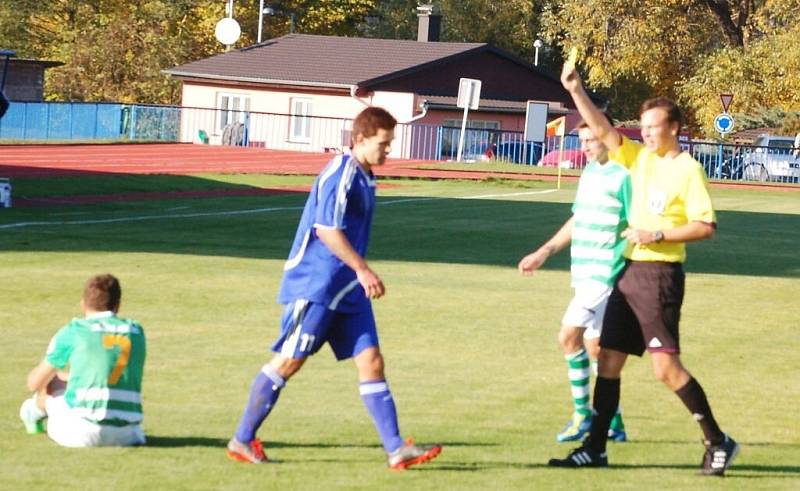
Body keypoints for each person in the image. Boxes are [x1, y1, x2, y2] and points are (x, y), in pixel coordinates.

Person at [548, 62, 739, 476]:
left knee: (665, 369)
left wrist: (658, 235)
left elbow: (705, 226)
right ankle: (595, 447)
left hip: (660, 277)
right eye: (645, 126)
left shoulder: (687, 169)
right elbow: (602, 130)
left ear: (674, 128)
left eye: (654, 126)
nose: (647, 132)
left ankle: (718, 441)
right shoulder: (639, 159)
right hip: (630, 273)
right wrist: (576, 90)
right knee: (609, 359)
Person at [227, 106, 442, 469]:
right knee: (289, 361)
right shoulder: (340, 173)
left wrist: (357, 274)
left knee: (372, 361)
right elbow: (326, 229)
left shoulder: (365, 174)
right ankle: (242, 439)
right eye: (383, 144)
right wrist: (362, 269)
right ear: (360, 139)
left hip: (347, 290)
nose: (388, 151)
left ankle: (395, 449)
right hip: (318, 285)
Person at [518, 116, 631, 444]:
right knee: (597, 350)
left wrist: (622, 262)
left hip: (605, 274)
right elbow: (579, 217)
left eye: (589, 140)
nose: (583, 148)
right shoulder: (591, 172)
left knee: (568, 337)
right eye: (580, 142)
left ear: (608, 136)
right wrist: (545, 251)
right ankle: (613, 422)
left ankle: (583, 417)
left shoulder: (625, 175)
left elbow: (636, 220)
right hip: (583, 273)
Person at [19, 274, 146, 447]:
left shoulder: (74, 331)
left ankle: (31, 413)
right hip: (130, 435)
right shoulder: (136, 331)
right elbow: (108, 371)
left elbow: (34, 383)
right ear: (118, 305)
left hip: (82, 434)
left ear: (83, 304)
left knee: (50, 382)